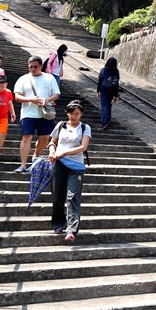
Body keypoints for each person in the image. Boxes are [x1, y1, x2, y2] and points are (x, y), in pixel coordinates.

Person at [47, 100, 92, 243]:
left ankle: (72, 229)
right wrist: (52, 151)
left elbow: (83, 147)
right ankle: (59, 223)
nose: (73, 116)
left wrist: (63, 153)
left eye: (77, 114)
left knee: (72, 196)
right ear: (67, 113)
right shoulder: (60, 126)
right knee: (57, 196)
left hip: (76, 167)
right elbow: (52, 142)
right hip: (59, 164)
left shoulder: (85, 127)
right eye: (71, 113)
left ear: (81, 114)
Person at [13, 55, 60, 173]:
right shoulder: (23, 79)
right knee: (26, 137)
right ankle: (23, 164)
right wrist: (30, 100)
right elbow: (17, 96)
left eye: (35, 66)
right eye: (30, 67)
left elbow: (56, 94)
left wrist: (47, 100)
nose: (32, 69)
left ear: (41, 66)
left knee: (45, 137)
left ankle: (35, 155)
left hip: (45, 112)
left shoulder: (49, 78)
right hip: (28, 113)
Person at [96, 57, 121, 131]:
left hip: (104, 89)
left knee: (104, 106)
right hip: (112, 90)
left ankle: (104, 123)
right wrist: (116, 95)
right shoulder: (116, 71)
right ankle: (108, 120)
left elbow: (100, 81)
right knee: (109, 105)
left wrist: (98, 91)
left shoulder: (104, 70)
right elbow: (116, 84)